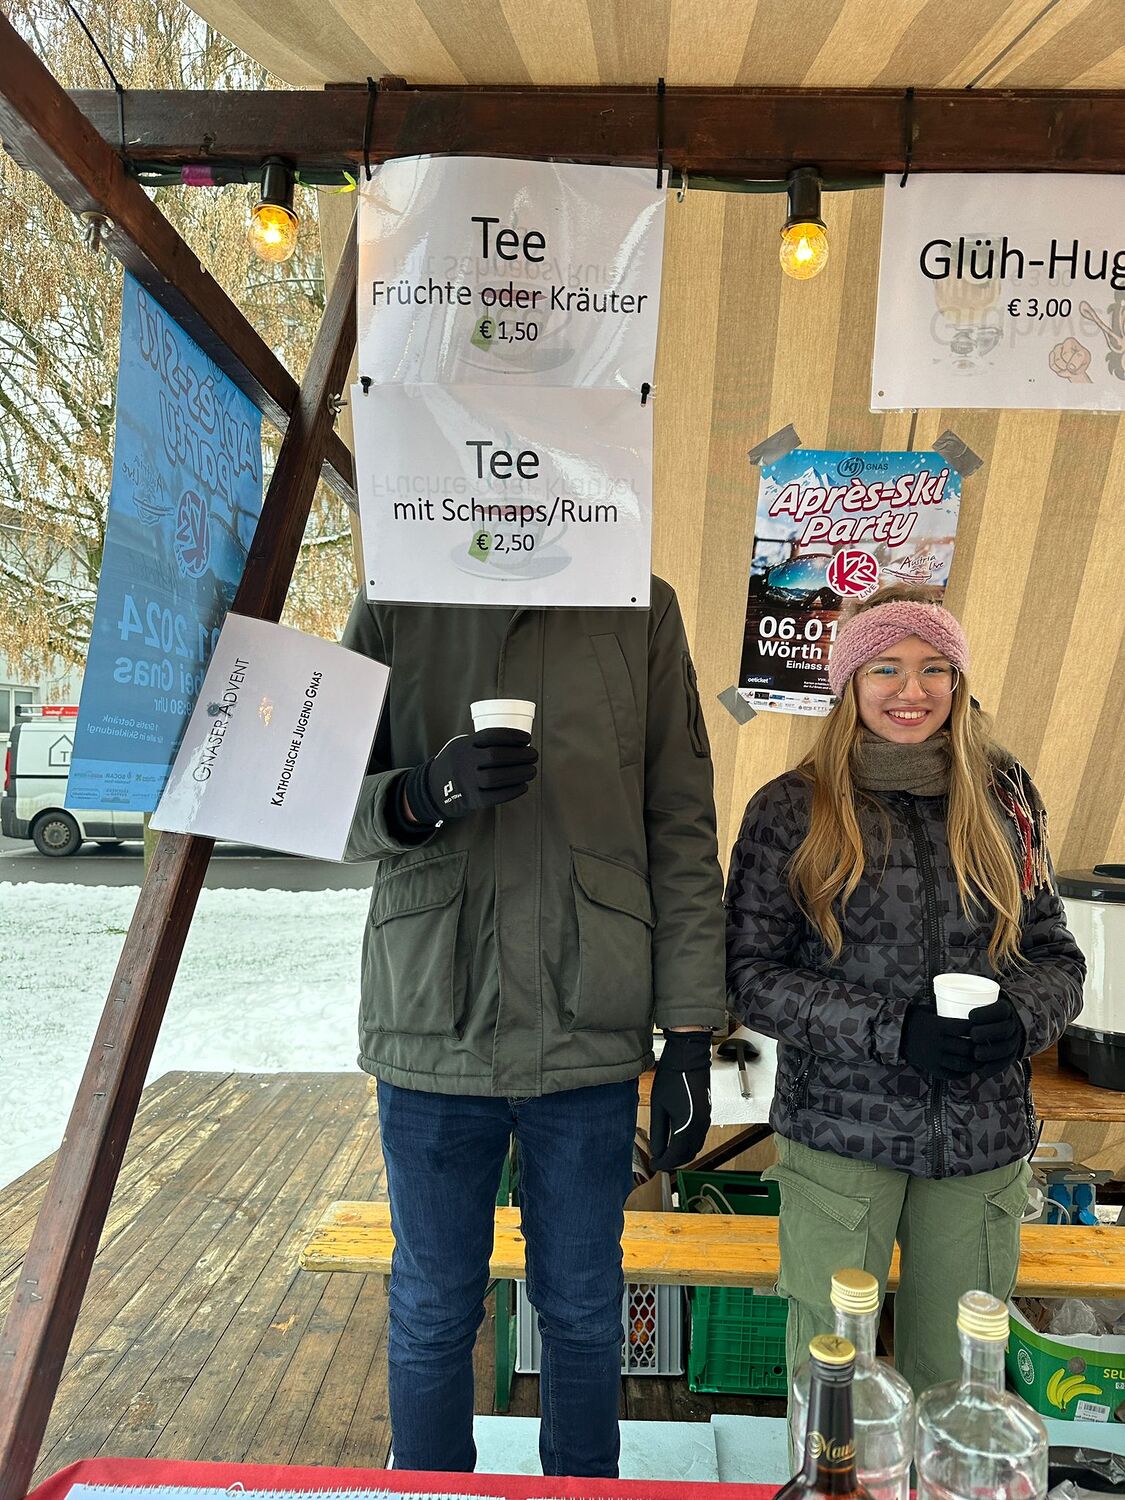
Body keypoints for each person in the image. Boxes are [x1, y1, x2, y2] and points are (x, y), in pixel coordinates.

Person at [342, 577, 725, 1477]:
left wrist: (690, 1031)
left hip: (586, 1019)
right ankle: (429, 1497)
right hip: (435, 1020)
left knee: (584, 1309)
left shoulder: (641, 606)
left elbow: (679, 819)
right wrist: (417, 795)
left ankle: (583, 1497)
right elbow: (309, 795)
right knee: (433, 1305)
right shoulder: (398, 596)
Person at [725, 584, 1085, 1393]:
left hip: (980, 1135)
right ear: (848, 683)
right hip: (840, 1134)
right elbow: (750, 976)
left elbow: (1054, 953)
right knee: (834, 1371)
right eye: (884, 667)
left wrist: (1020, 1019)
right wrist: (893, 1029)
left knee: (958, 1374)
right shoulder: (791, 807)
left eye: (933, 668)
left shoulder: (1005, 797)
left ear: (958, 681)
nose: (910, 690)